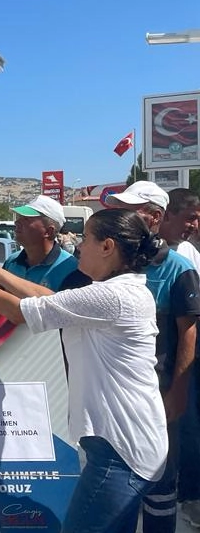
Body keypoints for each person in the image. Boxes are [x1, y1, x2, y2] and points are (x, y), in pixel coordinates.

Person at [0, 208, 168, 533]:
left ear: (107, 246)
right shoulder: (121, 291)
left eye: (86, 239)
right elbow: (49, 298)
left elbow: (21, 312)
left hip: (120, 451)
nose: (79, 247)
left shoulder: (113, 296)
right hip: (126, 444)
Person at [105, 181, 200, 533]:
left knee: (161, 479)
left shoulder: (177, 267)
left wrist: (178, 392)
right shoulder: (113, 261)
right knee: (119, 481)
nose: (121, 217)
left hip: (160, 395)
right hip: (117, 396)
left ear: (155, 217)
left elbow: (188, 332)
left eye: (130, 211)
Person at [156, 187, 200, 527]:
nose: (194, 225)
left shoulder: (183, 256)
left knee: (186, 428)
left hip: (180, 363)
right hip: (160, 366)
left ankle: (188, 495)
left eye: (196, 219)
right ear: (167, 215)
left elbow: (189, 323)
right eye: (189, 218)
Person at [1, 195, 90, 296]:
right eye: (19, 217)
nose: (17, 222)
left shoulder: (72, 269)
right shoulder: (12, 261)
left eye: (26, 219)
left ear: (48, 231)